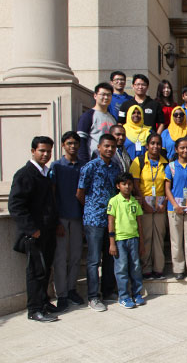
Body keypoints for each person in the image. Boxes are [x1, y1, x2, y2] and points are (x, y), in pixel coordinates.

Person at [8, 136, 60, 322]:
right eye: (42, 151)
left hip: (48, 231)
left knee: (46, 270)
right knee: (36, 272)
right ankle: (34, 309)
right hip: (34, 234)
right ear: (33, 151)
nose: (45, 154)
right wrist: (31, 229)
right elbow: (15, 205)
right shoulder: (25, 174)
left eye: (48, 151)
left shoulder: (45, 173)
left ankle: (44, 302)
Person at [76, 134, 120, 312]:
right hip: (94, 220)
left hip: (111, 219)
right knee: (94, 260)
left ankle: (108, 290)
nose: (110, 149)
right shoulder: (90, 167)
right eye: (106, 146)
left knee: (110, 256)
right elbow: (80, 193)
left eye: (112, 147)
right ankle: (93, 296)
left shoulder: (115, 168)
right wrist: (91, 208)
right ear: (99, 148)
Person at [49, 132, 85, 312]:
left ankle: (71, 289)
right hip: (61, 218)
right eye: (69, 143)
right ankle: (61, 294)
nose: (73, 146)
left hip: (78, 217)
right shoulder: (56, 167)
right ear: (63, 145)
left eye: (76, 143)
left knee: (76, 256)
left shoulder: (83, 166)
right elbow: (52, 195)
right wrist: (55, 221)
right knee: (61, 258)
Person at [130, 133, 168, 280]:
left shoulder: (165, 163)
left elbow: (167, 184)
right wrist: (144, 203)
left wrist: (164, 203)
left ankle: (158, 269)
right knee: (145, 236)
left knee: (159, 236)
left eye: (158, 144)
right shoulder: (138, 161)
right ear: (147, 146)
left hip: (160, 203)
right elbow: (135, 183)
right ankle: (146, 268)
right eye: (152, 143)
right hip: (144, 202)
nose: (155, 146)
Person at [107, 172, 146, 309]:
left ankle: (137, 294)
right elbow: (111, 222)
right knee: (121, 268)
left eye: (129, 184)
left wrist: (141, 242)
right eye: (124, 184)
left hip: (133, 239)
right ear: (118, 186)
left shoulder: (135, 202)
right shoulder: (114, 201)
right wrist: (112, 242)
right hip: (120, 240)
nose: (127, 187)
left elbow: (139, 223)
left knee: (135, 267)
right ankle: (123, 296)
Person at [165, 138, 187, 281]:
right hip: (175, 208)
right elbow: (167, 188)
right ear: (176, 149)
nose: (185, 151)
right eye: (182, 148)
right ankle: (178, 269)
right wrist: (175, 205)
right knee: (176, 239)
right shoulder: (171, 167)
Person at [77, 82, 116, 163]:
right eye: (103, 94)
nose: (106, 97)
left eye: (108, 95)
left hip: (110, 162)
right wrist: (85, 162)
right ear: (95, 96)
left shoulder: (112, 118)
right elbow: (81, 140)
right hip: (93, 161)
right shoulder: (88, 116)